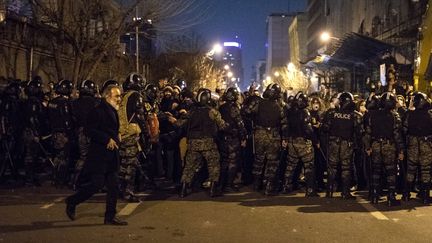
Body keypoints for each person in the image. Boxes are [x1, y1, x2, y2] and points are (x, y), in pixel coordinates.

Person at [65, 84, 127, 225]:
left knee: (113, 185)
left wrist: (116, 135)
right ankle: (72, 201)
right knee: (96, 184)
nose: (119, 99)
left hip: (112, 156)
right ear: (107, 96)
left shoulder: (112, 110)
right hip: (100, 156)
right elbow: (89, 130)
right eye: (116, 96)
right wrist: (106, 139)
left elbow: (110, 128)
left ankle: (110, 216)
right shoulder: (98, 111)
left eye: (120, 96)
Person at [177, 88, 228, 198]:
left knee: (189, 166)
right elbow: (222, 125)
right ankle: (213, 189)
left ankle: (183, 189)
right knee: (213, 165)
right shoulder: (212, 111)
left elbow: (180, 123)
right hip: (208, 143)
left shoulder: (191, 111)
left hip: (193, 143)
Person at [242, 83, 288, 196]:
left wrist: (254, 118)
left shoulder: (259, 103)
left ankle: (257, 184)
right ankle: (269, 186)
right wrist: (285, 138)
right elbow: (284, 124)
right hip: (273, 135)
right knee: (272, 162)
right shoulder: (280, 106)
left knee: (259, 159)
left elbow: (246, 111)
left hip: (260, 134)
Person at [364, 92, 404, 206]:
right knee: (391, 172)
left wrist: (368, 147)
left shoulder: (373, 115)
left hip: (376, 145)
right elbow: (397, 135)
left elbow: (367, 133)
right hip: (389, 145)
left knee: (376, 171)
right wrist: (401, 150)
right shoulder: (394, 115)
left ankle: (375, 195)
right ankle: (391, 197)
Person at [321, 92, 363, 199]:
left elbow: (325, 128)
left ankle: (329, 191)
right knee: (346, 168)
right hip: (347, 143)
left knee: (332, 166)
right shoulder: (355, 115)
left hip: (333, 142)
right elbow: (359, 132)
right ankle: (345, 192)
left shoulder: (331, 113)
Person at [282, 92, 320, 197]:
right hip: (304, 142)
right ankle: (310, 190)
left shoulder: (290, 112)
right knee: (309, 167)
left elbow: (286, 126)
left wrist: (286, 139)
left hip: (292, 142)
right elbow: (308, 129)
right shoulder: (305, 112)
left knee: (290, 165)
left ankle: (286, 186)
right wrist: (315, 141)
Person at [403, 92, 432, 204]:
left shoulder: (409, 114)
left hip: (413, 143)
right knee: (426, 170)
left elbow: (404, 130)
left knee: (411, 169)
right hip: (426, 144)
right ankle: (425, 196)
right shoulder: (430, 114)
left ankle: (406, 194)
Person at [219, 87, 247, 192]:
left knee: (224, 161)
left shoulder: (221, 108)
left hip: (223, 138)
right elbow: (239, 123)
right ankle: (228, 185)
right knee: (233, 162)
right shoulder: (234, 108)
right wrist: (243, 136)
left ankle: (221, 184)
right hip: (232, 139)